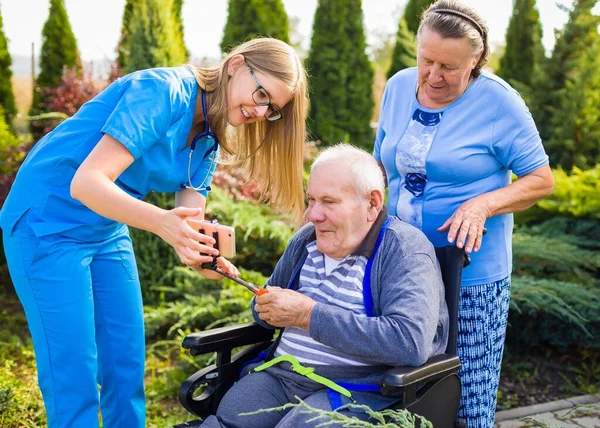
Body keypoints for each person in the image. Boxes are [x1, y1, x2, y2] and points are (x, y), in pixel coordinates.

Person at [0, 38, 308, 428]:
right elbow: (86, 183)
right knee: (73, 371)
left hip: (104, 229)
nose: (260, 111)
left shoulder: (209, 139)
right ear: (235, 65)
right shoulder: (162, 92)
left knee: (125, 361)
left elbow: (188, 226)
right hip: (47, 223)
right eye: (261, 93)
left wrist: (203, 257)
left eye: (272, 109)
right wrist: (164, 223)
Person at [374, 1, 555, 426]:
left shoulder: (499, 102)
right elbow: (381, 163)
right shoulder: (399, 87)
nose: (434, 75)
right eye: (426, 61)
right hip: (398, 265)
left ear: (475, 61)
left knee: (466, 398)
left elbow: (541, 180)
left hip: (469, 274)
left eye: (449, 67)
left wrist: (483, 203)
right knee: (398, 390)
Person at [199, 144, 449, 428]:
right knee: (227, 420)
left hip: (354, 388)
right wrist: (263, 303)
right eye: (311, 200)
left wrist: (308, 315)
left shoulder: (403, 249)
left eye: (329, 202)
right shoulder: (307, 240)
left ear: (372, 204)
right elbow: (264, 316)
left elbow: (410, 343)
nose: (313, 215)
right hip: (281, 376)